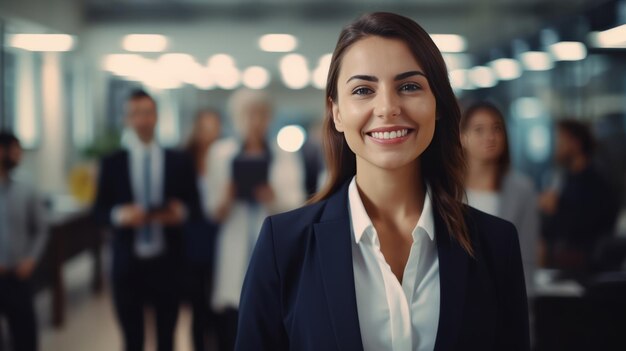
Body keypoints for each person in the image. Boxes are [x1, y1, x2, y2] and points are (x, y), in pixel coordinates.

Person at [236, 12, 529, 351]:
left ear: (437, 105)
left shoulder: (495, 243)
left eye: (409, 86)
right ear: (337, 112)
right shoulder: (283, 245)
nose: (388, 107)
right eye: (363, 90)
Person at [93, 89, 202, 351]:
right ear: (126, 119)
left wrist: (180, 213)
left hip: (168, 263)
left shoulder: (178, 160)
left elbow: (195, 206)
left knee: (167, 337)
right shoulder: (112, 163)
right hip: (128, 264)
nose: (141, 120)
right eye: (134, 114)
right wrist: (121, 215)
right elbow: (98, 211)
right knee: (132, 339)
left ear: (156, 116)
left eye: (146, 113)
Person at [209, 89, 306, 351]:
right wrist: (226, 197)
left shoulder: (284, 155)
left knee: (269, 320)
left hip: (270, 246)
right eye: (247, 114)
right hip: (234, 245)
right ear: (236, 118)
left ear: (269, 117)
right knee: (233, 323)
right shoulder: (221, 154)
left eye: (261, 114)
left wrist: (272, 197)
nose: (254, 120)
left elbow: (298, 207)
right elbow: (211, 211)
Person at [460, 101, 539, 296]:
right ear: (462, 137)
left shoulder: (522, 190)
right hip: (459, 292)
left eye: (497, 129)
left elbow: (527, 256)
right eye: (479, 130)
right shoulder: (446, 189)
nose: (490, 137)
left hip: (504, 293)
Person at [539, 119, 619, 271]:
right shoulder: (568, 179)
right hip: (565, 264)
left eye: (561, 141)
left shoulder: (596, 182)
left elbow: (583, 229)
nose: (557, 147)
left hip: (585, 268)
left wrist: (555, 207)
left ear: (575, 144)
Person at [0, 132, 47, 351]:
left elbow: (41, 229)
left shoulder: (26, 187)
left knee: (26, 339)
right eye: (14, 150)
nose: (19, 156)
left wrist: (31, 259)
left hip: (19, 277)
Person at [183, 109, 223, 351]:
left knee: (218, 307)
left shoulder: (225, 157)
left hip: (220, 238)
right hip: (193, 243)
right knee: (198, 308)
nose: (209, 133)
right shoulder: (184, 160)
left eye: (213, 127)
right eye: (204, 127)